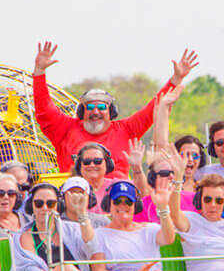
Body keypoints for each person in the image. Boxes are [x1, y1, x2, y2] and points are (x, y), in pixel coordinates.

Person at [31, 41, 198, 177]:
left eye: (102, 107)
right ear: (81, 112)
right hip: (75, 202)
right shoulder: (65, 129)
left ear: (111, 112)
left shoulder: (126, 129)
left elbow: (153, 109)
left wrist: (176, 79)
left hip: (118, 205)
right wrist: (39, 72)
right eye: (90, 107)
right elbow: (44, 109)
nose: (96, 112)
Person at [88, 180, 187, 271]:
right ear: (109, 204)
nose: (123, 206)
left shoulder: (149, 229)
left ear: (136, 205)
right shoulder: (99, 235)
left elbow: (169, 239)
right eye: (117, 201)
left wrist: (163, 208)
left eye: (128, 202)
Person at [132, 146, 195, 223]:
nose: (171, 177)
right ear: (152, 178)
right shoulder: (144, 205)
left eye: (174, 172)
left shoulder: (193, 199)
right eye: (164, 173)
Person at [70, 142, 116, 213]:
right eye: (87, 162)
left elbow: (139, 196)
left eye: (97, 161)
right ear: (79, 166)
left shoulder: (116, 186)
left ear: (107, 163)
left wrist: (136, 169)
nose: (92, 165)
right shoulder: (70, 189)